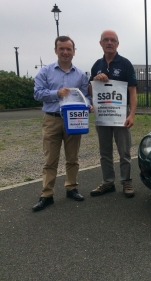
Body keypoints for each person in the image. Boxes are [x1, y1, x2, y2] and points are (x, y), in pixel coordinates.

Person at [32, 35, 92, 212]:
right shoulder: (45, 72)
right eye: (62, 49)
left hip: (74, 119)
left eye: (68, 49)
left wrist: (88, 106)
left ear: (74, 51)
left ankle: (71, 188)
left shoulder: (81, 74)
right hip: (52, 119)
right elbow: (37, 94)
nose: (65, 52)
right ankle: (47, 194)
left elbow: (85, 96)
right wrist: (56, 93)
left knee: (72, 158)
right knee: (50, 159)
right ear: (56, 50)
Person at [89, 30, 138, 198]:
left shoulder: (125, 64)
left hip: (120, 114)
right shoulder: (97, 65)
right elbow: (91, 90)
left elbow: (132, 91)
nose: (109, 42)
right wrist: (95, 80)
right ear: (101, 43)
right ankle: (108, 182)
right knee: (105, 151)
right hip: (102, 114)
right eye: (106, 40)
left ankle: (126, 182)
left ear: (117, 44)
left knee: (124, 150)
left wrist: (131, 115)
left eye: (113, 40)